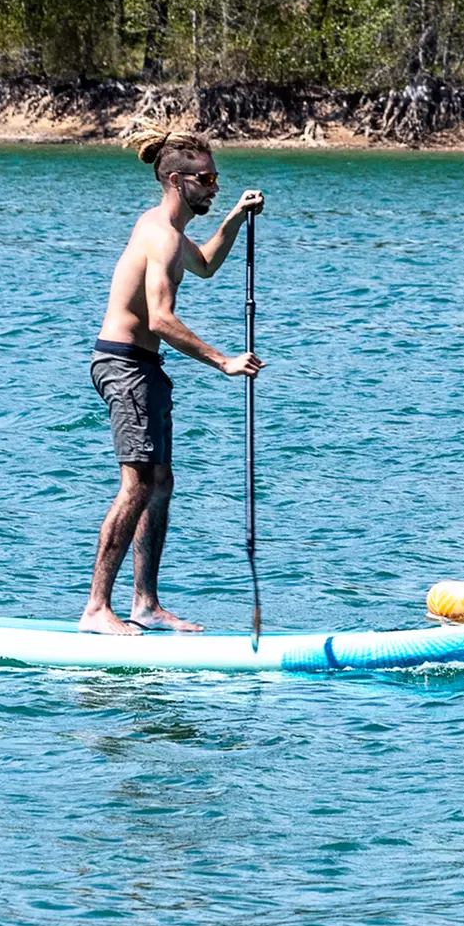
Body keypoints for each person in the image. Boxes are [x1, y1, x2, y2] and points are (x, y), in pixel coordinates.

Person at [82, 128, 265, 635]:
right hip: (123, 364)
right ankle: (97, 609)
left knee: (160, 482)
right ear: (175, 180)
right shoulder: (160, 234)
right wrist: (222, 360)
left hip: (146, 368)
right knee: (137, 485)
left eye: (216, 178)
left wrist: (233, 218)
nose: (213, 187)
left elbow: (204, 265)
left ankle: (145, 604)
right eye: (205, 179)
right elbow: (160, 318)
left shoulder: (173, 232)